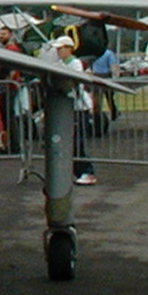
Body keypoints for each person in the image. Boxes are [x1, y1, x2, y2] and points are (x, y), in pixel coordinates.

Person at [53, 37, 97, 186]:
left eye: (61, 48)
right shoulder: (60, 63)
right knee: (71, 142)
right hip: (68, 107)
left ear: (69, 48)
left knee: (78, 142)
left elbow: (72, 80)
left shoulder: (75, 63)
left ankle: (87, 172)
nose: (58, 51)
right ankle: (77, 171)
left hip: (78, 107)